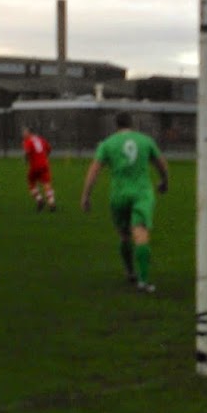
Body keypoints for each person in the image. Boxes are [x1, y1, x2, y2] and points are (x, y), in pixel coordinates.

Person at [80, 111, 169, 293]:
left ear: (116, 125)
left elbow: (94, 171)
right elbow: (161, 164)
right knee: (141, 233)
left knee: (124, 236)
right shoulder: (145, 141)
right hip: (142, 194)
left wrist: (86, 196)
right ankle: (143, 281)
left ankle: (130, 272)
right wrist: (164, 181)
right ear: (132, 124)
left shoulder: (107, 144)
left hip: (119, 195)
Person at [22, 125, 56, 211]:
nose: (23, 134)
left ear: (29, 133)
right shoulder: (41, 139)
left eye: (24, 132)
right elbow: (49, 149)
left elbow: (27, 152)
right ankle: (51, 202)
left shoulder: (27, 141)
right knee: (46, 183)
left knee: (31, 182)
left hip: (34, 166)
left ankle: (39, 199)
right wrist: (44, 157)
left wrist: (25, 160)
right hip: (44, 164)